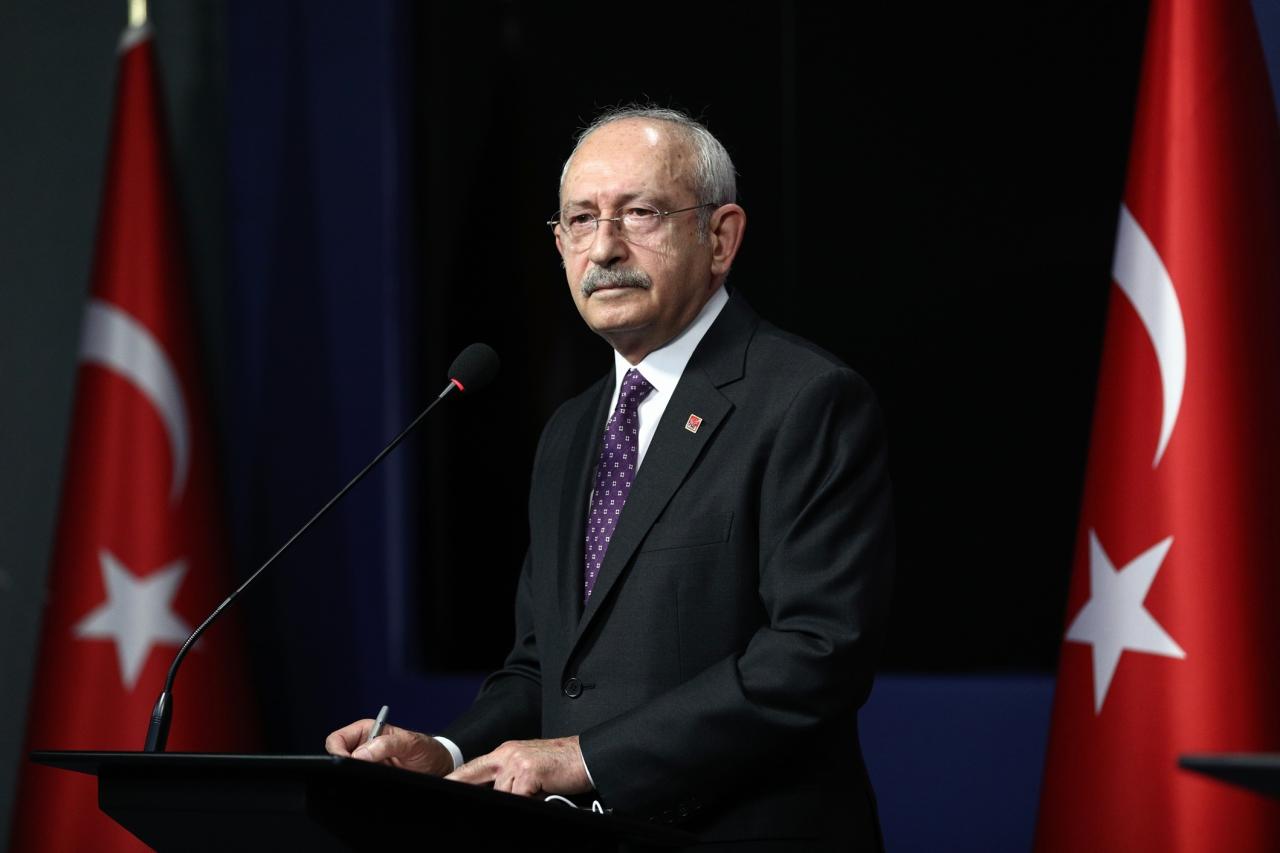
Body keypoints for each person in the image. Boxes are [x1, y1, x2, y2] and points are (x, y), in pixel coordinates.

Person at [326, 105, 895, 849]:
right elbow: (545, 666)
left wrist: (588, 759)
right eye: (581, 220)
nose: (604, 246)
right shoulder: (570, 431)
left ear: (720, 237)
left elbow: (816, 654)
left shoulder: (805, 400)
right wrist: (449, 751)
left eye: (641, 213)